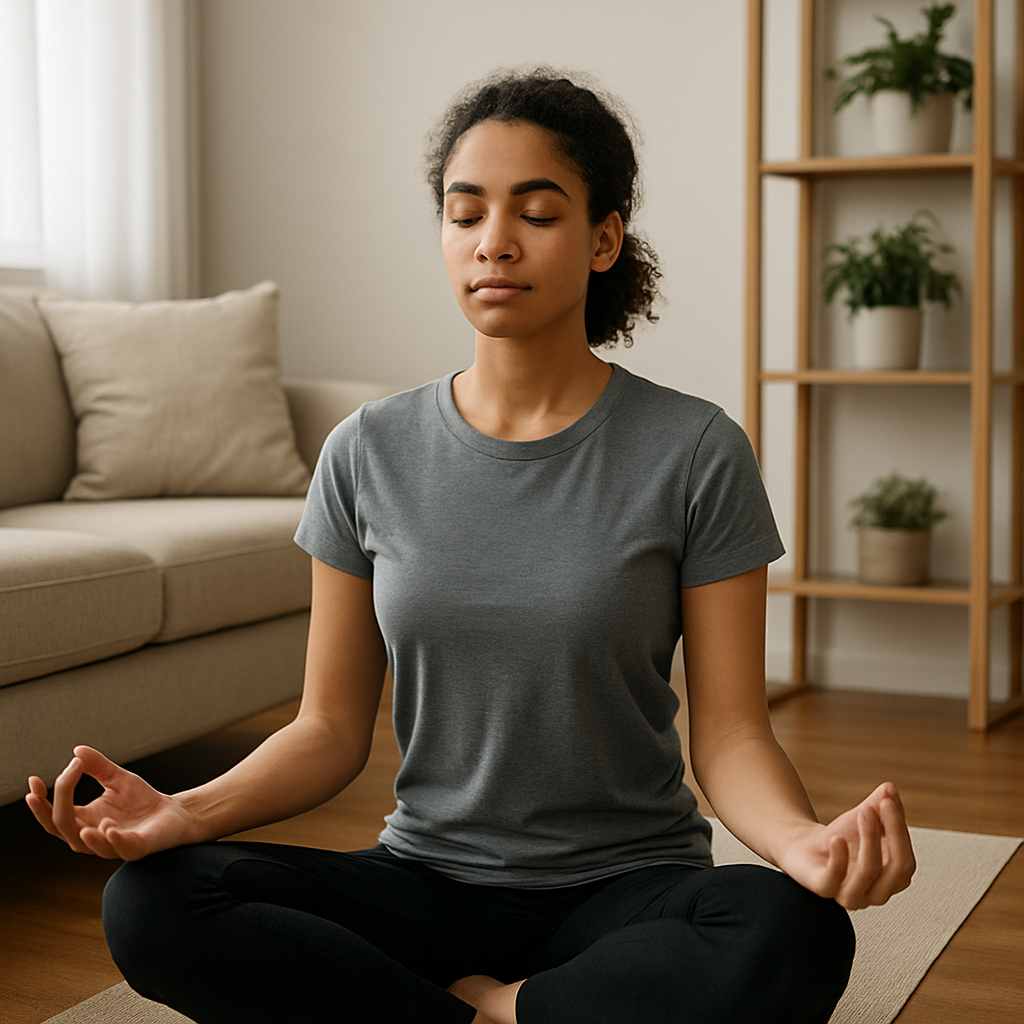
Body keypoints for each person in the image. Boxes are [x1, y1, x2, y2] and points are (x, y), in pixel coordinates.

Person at [26, 69, 915, 1024]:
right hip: (425, 883)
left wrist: (801, 845)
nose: (493, 241)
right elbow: (327, 730)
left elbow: (733, 734)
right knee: (153, 902)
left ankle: (492, 1008)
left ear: (604, 238)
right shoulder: (366, 451)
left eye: (537, 213)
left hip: (625, 889)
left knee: (795, 930)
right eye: (465, 214)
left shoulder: (695, 451)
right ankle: (518, 1014)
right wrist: (182, 812)